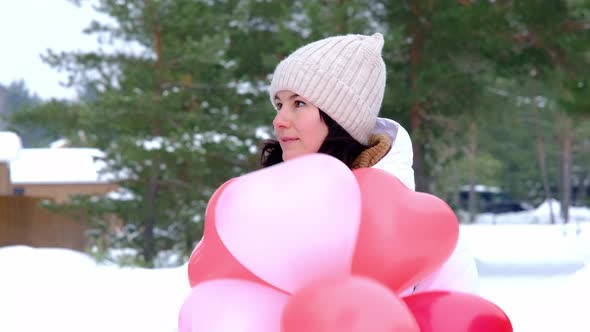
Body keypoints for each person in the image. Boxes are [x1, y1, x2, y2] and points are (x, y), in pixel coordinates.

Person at [260, 32, 479, 296]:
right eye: (278, 104)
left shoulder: (423, 231)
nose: (279, 120)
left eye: (298, 103)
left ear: (340, 118)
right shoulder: (255, 210)